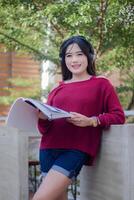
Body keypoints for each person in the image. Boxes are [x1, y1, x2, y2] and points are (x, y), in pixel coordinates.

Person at [32, 35, 125, 200]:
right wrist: (42, 118)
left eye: (79, 54)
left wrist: (92, 120)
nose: (74, 60)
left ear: (89, 56)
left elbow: (118, 116)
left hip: (75, 150)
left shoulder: (101, 84)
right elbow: (44, 129)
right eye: (69, 55)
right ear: (64, 60)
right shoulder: (57, 88)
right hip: (48, 149)